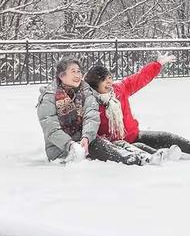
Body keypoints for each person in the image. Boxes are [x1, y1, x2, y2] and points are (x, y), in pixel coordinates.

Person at [83, 52, 190, 164]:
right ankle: (160, 156)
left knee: (165, 137)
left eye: (110, 78)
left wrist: (157, 65)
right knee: (138, 148)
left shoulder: (119, 90)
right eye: (104, 80)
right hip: (116, 143)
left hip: (133, 134)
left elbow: (139, 78)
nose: (109, 82)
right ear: (95, 85)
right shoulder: (91, 103)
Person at [37, 57, 167, 166]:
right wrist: (70, 145)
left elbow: (91, 116)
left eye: (79, 71)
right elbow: (51, 129)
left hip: (84, 142)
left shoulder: (85, 92)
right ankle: (138, 160)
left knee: (106, 142)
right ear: (61, 76)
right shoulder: (49, 97)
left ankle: (145, 157)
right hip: (61, 150)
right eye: (73, 71)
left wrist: (86, 137)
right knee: (99, 144)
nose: (77, 75)